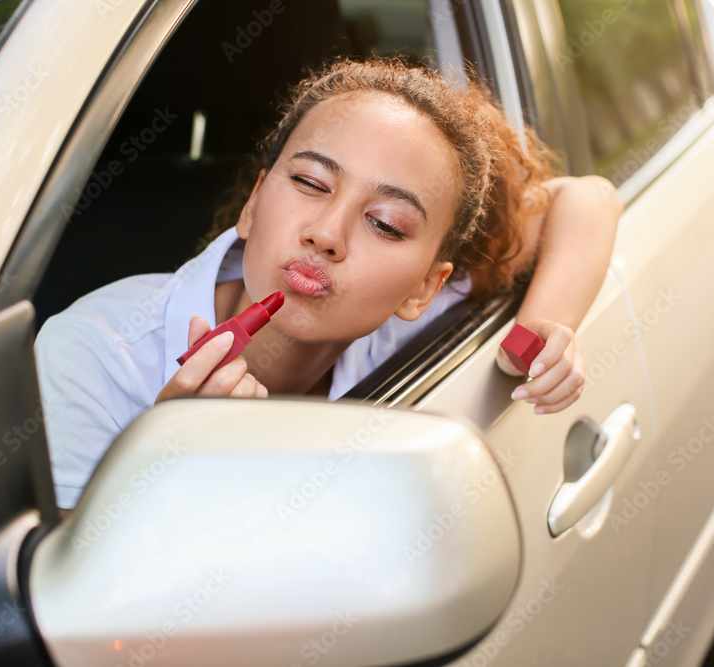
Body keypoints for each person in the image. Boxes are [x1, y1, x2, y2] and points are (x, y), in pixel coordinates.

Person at [35, 58, 622, 510]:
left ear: (424, 288)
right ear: (254, 202)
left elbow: (587, 198)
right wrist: (161, 461)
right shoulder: (93, 355)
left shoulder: (399, 327)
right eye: (312, 183)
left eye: (385, 223)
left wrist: (542, 329)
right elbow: (54, 605)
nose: (327, 234)